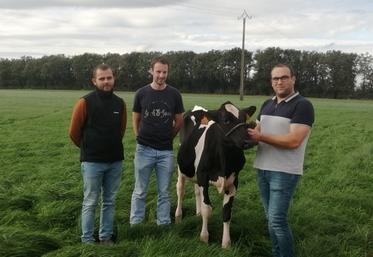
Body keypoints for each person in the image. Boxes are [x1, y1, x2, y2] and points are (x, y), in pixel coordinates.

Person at [248, 63, 314, 257]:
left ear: (293, 79)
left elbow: (294, 141)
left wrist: (260, 138)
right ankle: (277, 253)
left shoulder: (302, 105)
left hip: (284, 171)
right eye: (275, 78)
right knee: (270, 219)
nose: (279, 82)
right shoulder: (267, 104)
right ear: (271, 82)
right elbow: (257, 132)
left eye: (284, 77)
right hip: (263, 168)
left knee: (277, 220)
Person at [69, 64, 127, 244]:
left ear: (113, 79)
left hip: (115, 162)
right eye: (102, 78)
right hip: (92, 163)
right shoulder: (84, 102)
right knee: (90, 202)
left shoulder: (120, 103)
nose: (106, 81)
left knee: (109, 202)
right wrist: (89, 149)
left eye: (109, 78)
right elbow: (74, 133)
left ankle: (105, 237)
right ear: (94, 81)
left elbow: (121, 130)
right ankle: (87, 239)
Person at [130, 56, 184, 226]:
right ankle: (136, 223)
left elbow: (179, 120)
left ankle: (163, 222)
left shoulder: (174, 94)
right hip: (144, 149)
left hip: (165, 152)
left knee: (164, 192)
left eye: (164, 72)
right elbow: (136, 119)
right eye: (158, 71)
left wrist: (170, 136)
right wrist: (139, 137)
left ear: (168, 72)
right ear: (151, 71)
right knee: (139, 191)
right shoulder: (141, 93)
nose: (161, 75)